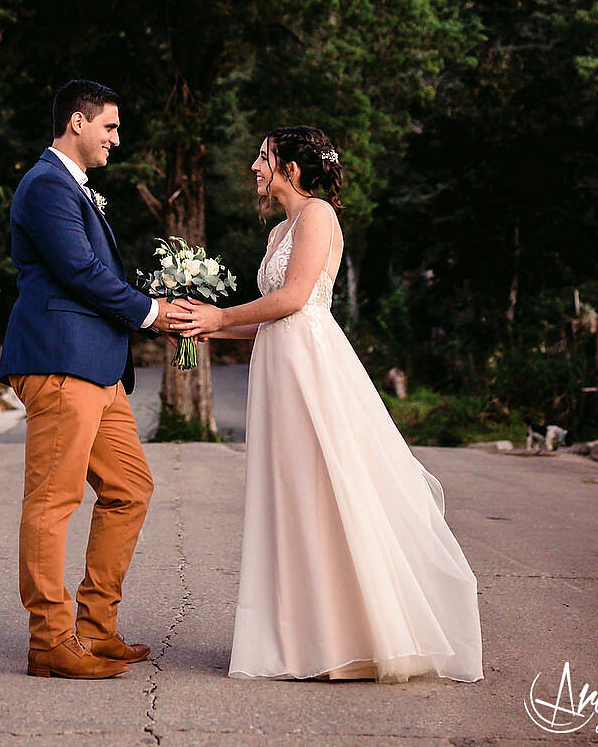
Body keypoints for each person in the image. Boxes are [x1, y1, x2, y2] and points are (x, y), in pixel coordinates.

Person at [173, 126, 484, 683]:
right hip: (277, 364)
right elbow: (272, 315)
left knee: (325, 490)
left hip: (310, 369)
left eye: (264, 157)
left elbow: (295, 300)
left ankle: (354, 638)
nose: (253, 166)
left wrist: (222, 315)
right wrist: (206, 327)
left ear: (292, 169)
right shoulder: (277, 234)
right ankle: (300, 637)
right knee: (289, 495)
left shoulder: (318, 215)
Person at [0, 79, 179, 680]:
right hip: (59, 361)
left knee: (129, 487)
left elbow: (93, 270)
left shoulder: (76, 189)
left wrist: (154, 306)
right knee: (53, 501)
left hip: (100, 368)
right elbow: (77, 271)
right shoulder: (47, 185)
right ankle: (50, 639)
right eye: (110, 127)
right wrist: (151, 313)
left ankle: (95, 628)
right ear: (78, 123)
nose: (116, 139)